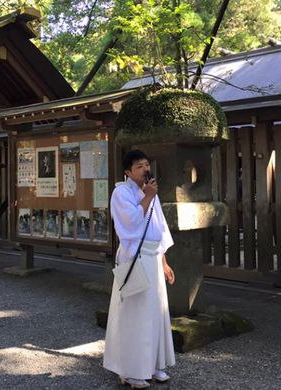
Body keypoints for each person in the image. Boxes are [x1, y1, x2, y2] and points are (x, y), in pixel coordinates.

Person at [103, 150, 175, 389]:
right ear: (127, 171)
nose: (145, 169)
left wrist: (164, 261)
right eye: (139, 166)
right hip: (135, 257)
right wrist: (147, 197)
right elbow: (131, 224)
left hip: (153, 258)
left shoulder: (150, 192)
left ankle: (154, 365)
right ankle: (131, 370)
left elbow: (160, 228)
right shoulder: (121, 192)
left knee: (156, 313)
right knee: (135, 315)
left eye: (146, 164)